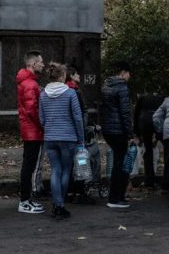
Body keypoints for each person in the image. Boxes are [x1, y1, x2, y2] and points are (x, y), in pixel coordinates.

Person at [39, 62, 85, 219]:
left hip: (50, 138)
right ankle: (60, 204)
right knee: (66, 170)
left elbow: (42, 118)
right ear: (62, 76)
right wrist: (81, 139)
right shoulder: (70, 93)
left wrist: (50, 128)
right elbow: (78, 118)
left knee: (55, 171)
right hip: (68, 137)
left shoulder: (43, 94)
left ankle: (56, 204)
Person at [100, 60, 137, 209]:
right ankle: (116, 198)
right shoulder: (122, 88)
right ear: (123, 73)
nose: (129, 77)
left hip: (108, 130)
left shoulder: (106, 86)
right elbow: (125, 113)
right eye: (129, 74)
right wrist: (130, 134)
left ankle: (114, 196)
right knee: (119, 164)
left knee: (117, 162)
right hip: (118, 130)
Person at [16, 50, 46, 214]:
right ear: (33, 64)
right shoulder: (30, 84)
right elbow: (31, 110)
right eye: (41, 62)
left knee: (28, 166)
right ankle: (25, 202)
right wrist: (43, 125)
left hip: (30, 129)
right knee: (29, 166)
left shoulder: (28, 82)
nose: (43, 64)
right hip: (32, 131)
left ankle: (26, 200)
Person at [65, 65, 96, 205]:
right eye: (77, 73)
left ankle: (69, 192)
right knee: (81, 160)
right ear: (71, 75)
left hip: (66, 132)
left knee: (70, 163)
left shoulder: (65, 89)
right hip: (76, 132)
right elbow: (79, 113)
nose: (79, 76)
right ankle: (79, 191)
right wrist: (82, 131)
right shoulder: (74, 91)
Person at [134, 92, 163, 189]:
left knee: (148, 150)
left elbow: (136, 115)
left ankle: (149, 180)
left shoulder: (142, 99)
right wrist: (158, 137)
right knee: (168, 149)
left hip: (145, 121)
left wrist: (137, 134)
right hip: (158, 121)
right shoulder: (161, 99)